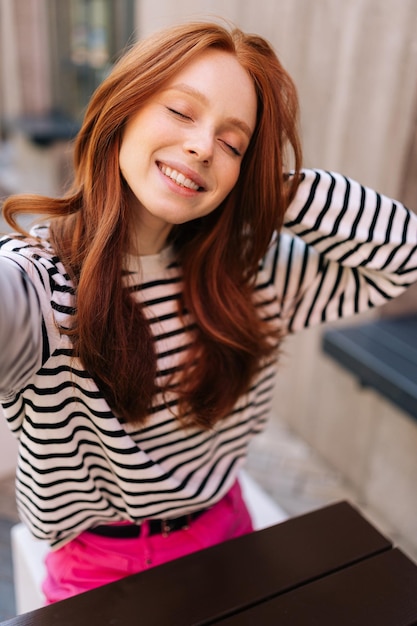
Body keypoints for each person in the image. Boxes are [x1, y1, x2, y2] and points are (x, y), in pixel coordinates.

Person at [1, 21, 416, 605]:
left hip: (229, 531)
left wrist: (276, 189)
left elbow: (403, 257)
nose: (202, 146)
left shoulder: (252, 274)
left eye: (233, 143)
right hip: (101, 571)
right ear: (125, 109)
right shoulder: (40, 285)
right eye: (181, 111)